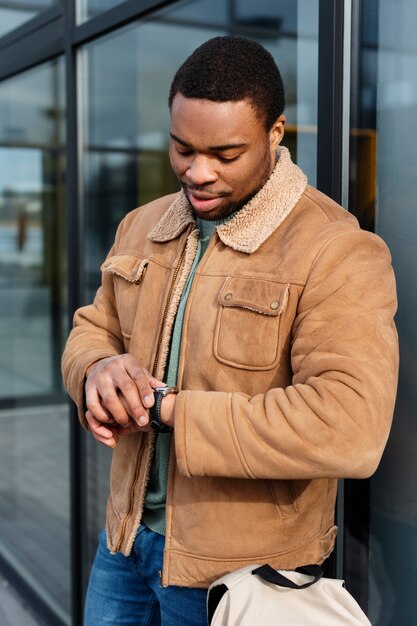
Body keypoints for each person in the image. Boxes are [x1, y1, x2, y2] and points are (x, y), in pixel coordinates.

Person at [62, 36, 399, 626]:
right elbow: (93, 328)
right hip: (124, 545)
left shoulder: (336, 249)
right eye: (182, 148)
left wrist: (168, 408)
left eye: (225, 152)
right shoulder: (141, 226)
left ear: (275, 134)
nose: (199, 172)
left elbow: (350, 426)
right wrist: (95, 369)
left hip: (241, 577)